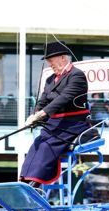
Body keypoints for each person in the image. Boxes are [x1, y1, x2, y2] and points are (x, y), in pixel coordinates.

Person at [20, 41, 96, 188]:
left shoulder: (77, 76)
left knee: (45, 146)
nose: (50, 64)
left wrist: (40, 115)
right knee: (35, 145)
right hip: (54, 124)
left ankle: (34, 185)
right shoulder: (50, 79)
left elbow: (63, 99)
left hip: (73, 124)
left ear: (62, 58)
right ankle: (24, 181)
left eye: (51, 61)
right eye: (48, 61)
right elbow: (43, 100)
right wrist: (34, 115)